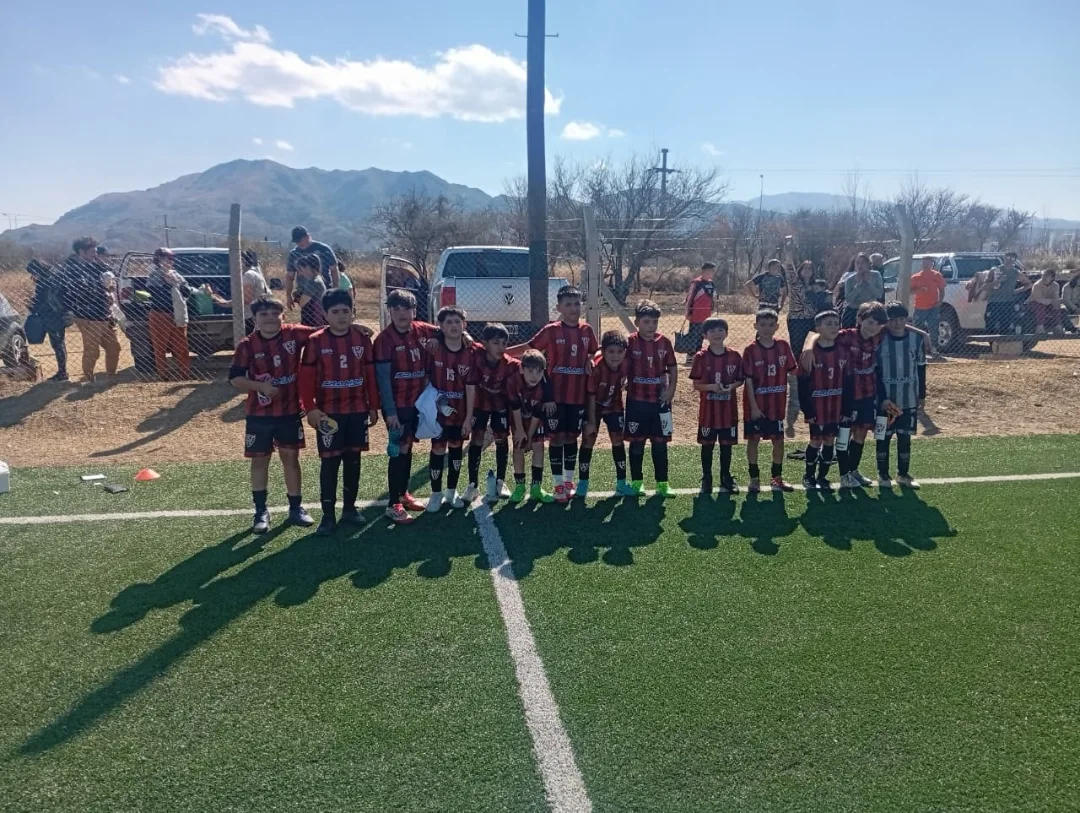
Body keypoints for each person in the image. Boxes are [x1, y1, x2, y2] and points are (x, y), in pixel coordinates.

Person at [228, 295, 317, 533]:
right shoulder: (247, 345)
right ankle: (260, 511)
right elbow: (235, 378)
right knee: (260, 460)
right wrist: (260, 387)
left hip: (289, 411)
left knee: (290, 458)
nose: (269, 318)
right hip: (259, 415)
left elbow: (323, 332)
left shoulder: (294, 334)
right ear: (255, 318)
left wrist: (357, 327)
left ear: (283, 316)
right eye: (263, 314)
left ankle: (296, 508)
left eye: (274, 313)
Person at [299, 289, 379, 536]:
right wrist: (310, 408)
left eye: (346, 311)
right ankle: (327, 515)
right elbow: (305, 379)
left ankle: (349, 509)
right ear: (325, 314)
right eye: (335, 312)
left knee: (353, 461)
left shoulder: (362, 340)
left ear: (352, 313)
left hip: (356, 411)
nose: (341, 316)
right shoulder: (315, 342)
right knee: (330, 463)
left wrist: (373, 406)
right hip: (328, 414)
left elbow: (370, 376)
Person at [513, 286, 598, 503]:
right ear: (558, 307)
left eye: (577, 304)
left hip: (577, 397)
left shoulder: (587, 330)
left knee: (572, 438)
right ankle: (558, 484)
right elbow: (529, 349)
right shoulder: (551, 330)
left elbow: (595, 351)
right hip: (554, 399)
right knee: (556, 439)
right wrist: (501, 353)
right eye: (568, 304)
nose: (573, 308)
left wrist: (590, 358)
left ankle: (569, 481)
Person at [373, 289, 438, 523]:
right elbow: (382, 380)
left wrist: (447, 338)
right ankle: (393, 504)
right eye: (396, 308)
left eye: (406, 308)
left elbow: (450, 331)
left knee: (408, 448)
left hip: (417, 404)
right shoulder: (384, 340)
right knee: (399, 451)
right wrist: (389, 412)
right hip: (397, 407)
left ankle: (403, 493)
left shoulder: (423, 330)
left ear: (414, 310)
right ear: (389, 310)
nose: (401, 313)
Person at [624, 300, 678, 497]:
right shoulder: (629, 342)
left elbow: (672, 367)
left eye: (654, 322)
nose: (651, 326)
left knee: (660, 443)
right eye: (646, 322)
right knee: (636, 444)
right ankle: (637, 482)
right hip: (636, 402)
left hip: (660, 402)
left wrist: (671, 390)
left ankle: (662, 484)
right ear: (637, 322)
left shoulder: (664, 342)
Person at [425, 306, 475, 512]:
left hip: (460, 412)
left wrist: (468, 418)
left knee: (455, 449)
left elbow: (471, 388)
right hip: (438, 412)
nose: (453, 326)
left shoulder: (471, 351)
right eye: (448, 322)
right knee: (437, 449)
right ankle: (435, 494)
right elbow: (426, 377)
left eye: (457, 322)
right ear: (441, 327)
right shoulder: (434, 348)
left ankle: (451, 491)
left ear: (464, 325)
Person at [742, 309, 798, 492]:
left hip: (776, 406)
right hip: (757, 406)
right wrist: (754, 407)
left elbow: (793, 370)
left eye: (771, 325)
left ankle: (777, 478)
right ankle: (754, 478)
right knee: (753, 441)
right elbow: (748, 380)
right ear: (755, 326)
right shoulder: (750, 350)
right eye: (762, 325)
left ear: (777, 326)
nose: (766, 328)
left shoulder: (783, 346)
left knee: (778, 441)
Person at [876, 302, 927, 488]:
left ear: (907, 319)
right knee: (883, 437)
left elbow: (921, 369)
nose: (897, 323)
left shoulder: (916, 340)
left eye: (901, 319)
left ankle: (903, 474)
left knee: (905, 438)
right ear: (886, 321)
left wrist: (922, 395)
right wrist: (881, 398)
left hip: (908, 399)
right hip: (885, 402)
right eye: (893, 319)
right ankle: (883, 475)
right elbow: (875, 372)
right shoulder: (878, 340)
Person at [690, 317, 743, 495]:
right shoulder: (700, 357)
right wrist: (712, 387)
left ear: (726, 333)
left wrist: (730, 387)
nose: (717, 333)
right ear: (705, 335)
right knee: (707, 446)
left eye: (720, 330)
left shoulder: (735, 356)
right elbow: (696, 385)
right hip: (708, 413)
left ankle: (726, 476)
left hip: (728, 412)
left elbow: (740, 380)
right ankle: (706, 477)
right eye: (712, 331)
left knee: (726, 446)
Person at [464, 323, 516, 502]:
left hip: (500, 404)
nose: (501, 347)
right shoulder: (476, 353)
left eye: (504, 343)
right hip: (479, 404)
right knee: (476, 438)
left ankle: (501, 480)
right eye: (496, 343)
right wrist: (465, 334)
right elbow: (461, 337)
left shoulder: (510, 364)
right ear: (485, 343)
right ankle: (472, 484)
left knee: (501, 438)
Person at [797, 310, 846, 491]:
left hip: (836, 407)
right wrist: (807, 411)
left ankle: (823, 477)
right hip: (816, 407)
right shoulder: (809, 354)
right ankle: (808, 476)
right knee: (815, 441)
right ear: (818, 328)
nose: (833, 327)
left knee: (829, 441)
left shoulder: (842, 351)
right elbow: (802, 385)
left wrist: (846, 409)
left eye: (836, 323)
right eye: (828, 324)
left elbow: (848, 381)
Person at [581, 330, 633, 499]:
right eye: (610, 352)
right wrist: (589, 420)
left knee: (617, 440)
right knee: (589, 438)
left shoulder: (627, 364)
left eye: (620, 352)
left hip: (614, 404)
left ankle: (621, 482)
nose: (615, 356)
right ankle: (583, 483)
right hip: (593, 406)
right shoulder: (596, 368)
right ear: (603, 351)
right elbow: (590, 395)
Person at [62, 236, 121, 383]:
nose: (96, 254)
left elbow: (111, 276)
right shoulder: (74, 270)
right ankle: (88, 380)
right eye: (92, 252)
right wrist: (103, 291)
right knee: (92, 351)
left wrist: (109, 284)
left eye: (96, 252)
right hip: (87, 316)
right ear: (81, 252)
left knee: (114, 347)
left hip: (104, 314)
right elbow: (81, 292)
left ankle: (110, 376)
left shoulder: (97, 266)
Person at [784, 260, 829, 436]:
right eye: (805, 268)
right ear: (801, 270)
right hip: (796, 319)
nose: (808, 271)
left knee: (817, 342)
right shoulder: (795, 282)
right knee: (796, 347)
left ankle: (815, 365)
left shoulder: (817, 285)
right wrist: (789, 252)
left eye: (811, 268)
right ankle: (795, 370)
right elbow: (789, 268)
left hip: (811, 319)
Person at [506, 350, 555, 504]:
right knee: (518, 446)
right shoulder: (513, 381)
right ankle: (519, 486)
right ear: (522, 368)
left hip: (534, 419)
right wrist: (520, 431)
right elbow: (514, 406)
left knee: (538, 446)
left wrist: (530, 437)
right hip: (517, 417)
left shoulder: (544, 386)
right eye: (530, 370)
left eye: (539, 371)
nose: (535, 375)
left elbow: (537, 414)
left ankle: (536, 487)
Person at [146, 248, 192, 380]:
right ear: (158, 260)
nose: (170, 262)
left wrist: (175, 283)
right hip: (160, 314)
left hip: (177, 314)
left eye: (171, 259)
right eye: (166, 259)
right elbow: (155, 294)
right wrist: (166, 283)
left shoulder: (176, 274)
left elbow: (187, 291)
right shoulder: (154, 275)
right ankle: (163, 375)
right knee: (160, 347)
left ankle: (184, 374)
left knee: (181, 346)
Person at [26, 259, 69, 382]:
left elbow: (42, 302)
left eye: (32, 273)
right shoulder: (54, 277)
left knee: (57, 344)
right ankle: (63, 371)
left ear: (37, 271)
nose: (32, 276)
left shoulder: (43, 283)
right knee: (60, 344)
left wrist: (31, 306)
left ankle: (62, 372)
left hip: (51, 316)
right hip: (59, 315)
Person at [286, 226, 339, 303]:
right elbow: (290, 276)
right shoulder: (294, 253)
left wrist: (335, 289)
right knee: (307, 313)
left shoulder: (323, 249)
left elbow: (334, 270)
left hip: (324, 289)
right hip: (304, 291)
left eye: (300, 240)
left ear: (307, 236)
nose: (299, 243)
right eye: (296, 241)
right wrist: (288, 295)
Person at [983, 252, 1032, 335]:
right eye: (1007, 257)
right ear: (1004, 258)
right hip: (994, 302)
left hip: (1007, 302)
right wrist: (997, 281)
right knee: (990, 326)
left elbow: (1029, 284)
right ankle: (993, 346)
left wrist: (1016, 291)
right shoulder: (995, 270)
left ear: (1015, 260)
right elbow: (985, 287)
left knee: (1005, 327)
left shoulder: (1016, 272)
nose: (1009, 260)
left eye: (1012, 258)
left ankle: (1003, 345)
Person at [910, 257, 947, 354]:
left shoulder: (937, 275)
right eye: (924, 263)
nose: (925, 265)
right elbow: (909, 291)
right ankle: (917, 348)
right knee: (917, 327)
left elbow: (942, 289)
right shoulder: (916, 277)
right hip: (919, 307)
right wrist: (919, 290)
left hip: (933, 307)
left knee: (933, 327)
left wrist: (940, 301)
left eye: (928, 263)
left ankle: (933, 348)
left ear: (932, 265)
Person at [838, 253, 884, 328]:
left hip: (870, 309)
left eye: (863, 262)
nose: (860, 265)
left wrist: (868, 283)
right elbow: (848, 299)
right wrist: (858, 286)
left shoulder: (876, 275)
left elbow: (879, 294)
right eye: (857, 263)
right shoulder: (850, 279)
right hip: (853, 310)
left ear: (868, 264)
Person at [683, 262, 717, 364]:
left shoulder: (711, 283)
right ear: (703, 271)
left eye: (712, 271)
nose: (710, 273)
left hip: (706, 316)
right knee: (694, 335)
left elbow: (713, 299)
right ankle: (690, 356)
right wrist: (687, 313)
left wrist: (712, 309)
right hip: (695, 315)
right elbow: (689, 298)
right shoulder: (696, 283)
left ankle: (697, 355)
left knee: (702, 336)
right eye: (708, 271)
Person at [292, 254, 328, 327]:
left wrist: (297, 296)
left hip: (314, 318)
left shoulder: (313, 282)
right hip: (315, 316)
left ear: (307, 267)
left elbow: (302, 303)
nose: (299, 273)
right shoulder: (316, 279)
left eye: (300, 269)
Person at [1029, 269, 1064, 335]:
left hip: (1048, 303)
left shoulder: (1056, 285)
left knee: (1057, 304)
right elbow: (1039, 299)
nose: (1044, 277)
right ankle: (1040, 328)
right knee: (1040, 306)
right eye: (1043, 275)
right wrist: (1051, 301)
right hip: (1034, 303)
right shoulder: (1037, 285)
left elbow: (1056, 298)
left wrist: (1054, 301)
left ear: (1052, 278)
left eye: (1047, 275)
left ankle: (1058, 327)